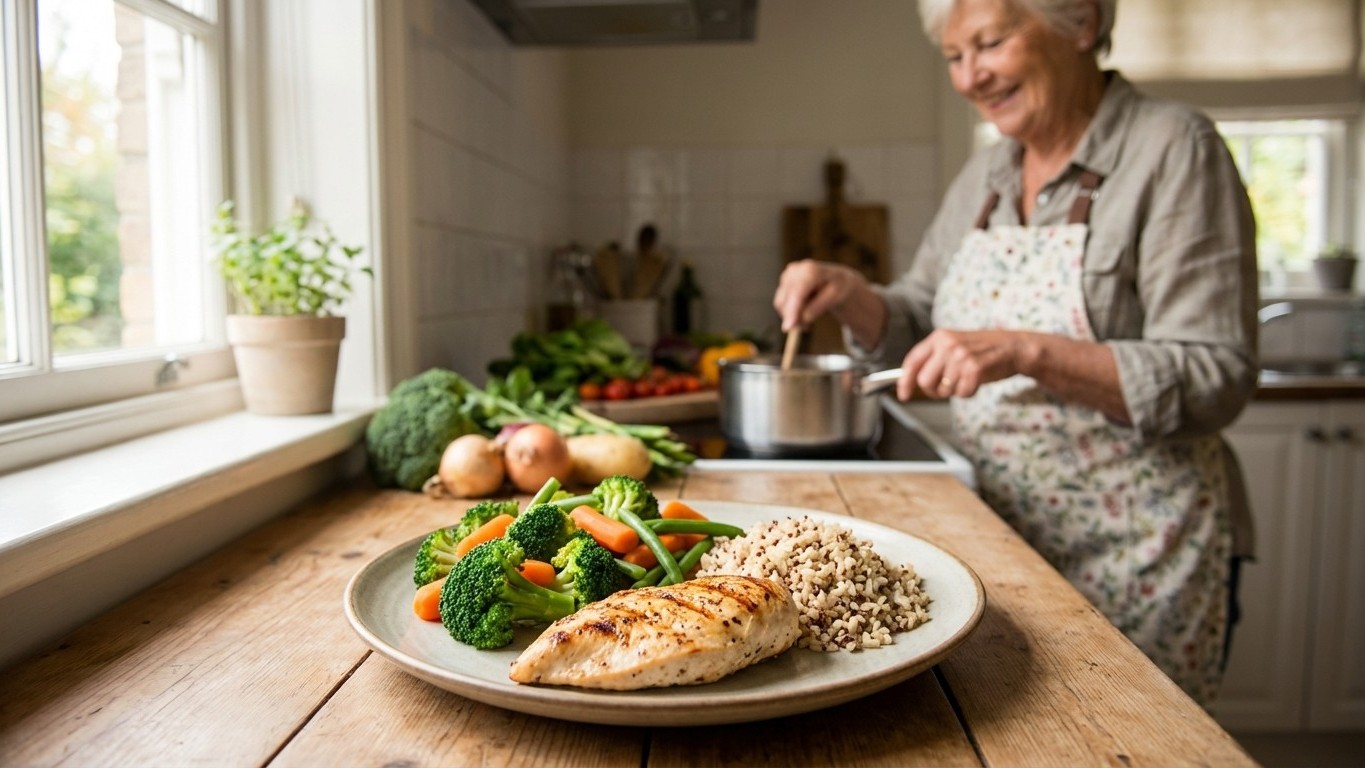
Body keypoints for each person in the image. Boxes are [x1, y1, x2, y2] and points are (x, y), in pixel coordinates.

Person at [773, 0, 1258, 707]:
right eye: (952, 56)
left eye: (989, 43)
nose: (969, 76)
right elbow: (914, 324)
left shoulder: (1172, 149)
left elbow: (1216, 374)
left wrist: (1029, 350)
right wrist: (852, 293)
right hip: (1004, 534)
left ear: (1082, 23)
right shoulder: (988, 175)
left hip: (1142, 547)